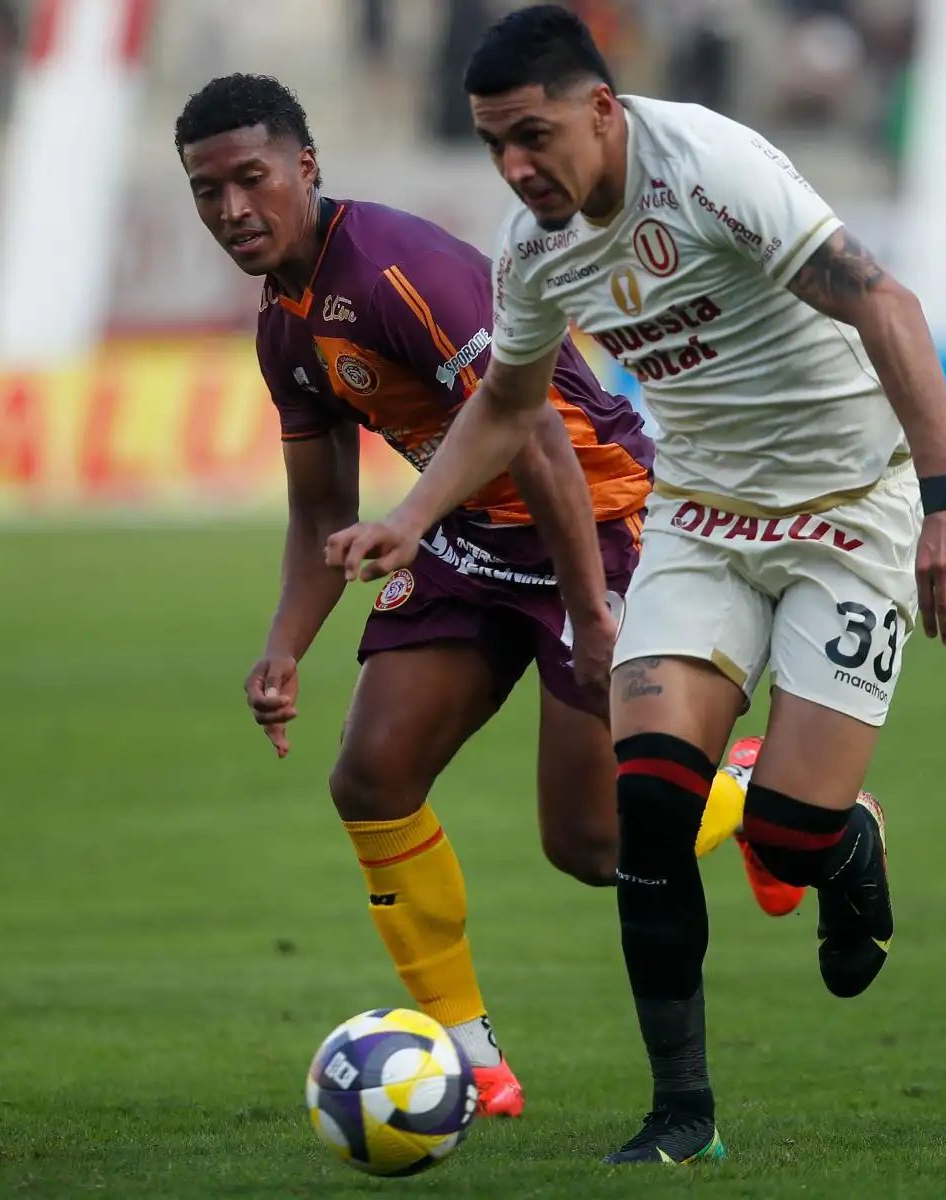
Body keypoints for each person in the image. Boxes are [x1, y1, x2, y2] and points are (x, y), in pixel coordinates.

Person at [326, 5, 946, 1164]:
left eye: (533, 135)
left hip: (848, 512)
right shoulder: (533, 248)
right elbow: (511, 404)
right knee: (646, 807)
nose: (517, 167)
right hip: (696, 520)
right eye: (494, 144)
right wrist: (411, 516)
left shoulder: (710, 168)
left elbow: (885, 301)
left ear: (602, 106)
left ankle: (841, 849)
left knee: (784, 830)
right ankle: (682, 1117)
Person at [173, 72, 801, 1119]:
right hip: (469, 536)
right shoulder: (284, 325)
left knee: (592, 845)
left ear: (306, 168)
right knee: (370, 775)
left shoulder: (395, 271)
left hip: (597, 525)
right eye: (207, 191)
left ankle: (765, 796)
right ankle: (466, 1060)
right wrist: (284, 645)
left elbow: (540, 436)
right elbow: (318, 501)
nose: (233, 210)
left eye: (252, 179)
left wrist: (596, 611)